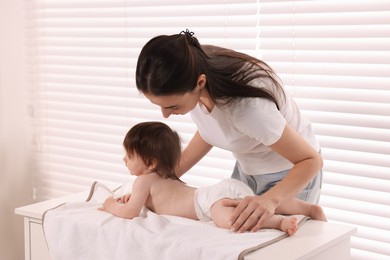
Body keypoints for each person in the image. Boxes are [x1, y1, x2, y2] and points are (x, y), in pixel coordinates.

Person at [135, 29, 324, 233]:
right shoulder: (191, 67)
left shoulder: (249, 110)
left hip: (291, 172)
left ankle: (311, 210)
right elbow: (213, 128)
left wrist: (270, 200)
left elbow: (311, 160)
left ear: (200, 83)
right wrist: (165, 176)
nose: (165, 115)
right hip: (247, 169)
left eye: (173, 107)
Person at [99, 121, 326, 235]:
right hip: (218, 190)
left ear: (150, 163)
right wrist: (132, 197)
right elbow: (150, 197)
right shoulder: (162, 177)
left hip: (207, 204)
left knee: (229, 220)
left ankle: (279, 222)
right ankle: (306, 208)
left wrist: (110, 205)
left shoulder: (144, 181)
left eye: (129, 156)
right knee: (257, 199)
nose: (124, 160)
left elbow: (130, 213)